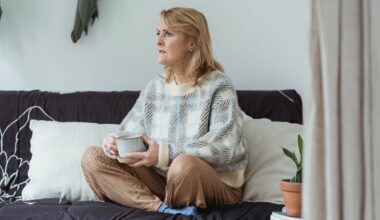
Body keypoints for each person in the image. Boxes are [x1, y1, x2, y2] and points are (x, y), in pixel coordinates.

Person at [81, 7, 247, 216]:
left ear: (192, 42)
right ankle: (162, 209)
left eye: (168, 34)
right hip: (163, 182)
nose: (158, 40)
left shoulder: (219, 86)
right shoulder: (155, 87)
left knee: (183, 165)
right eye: (157, 33)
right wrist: (114, 144)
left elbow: (224, 148)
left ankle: (165, 206)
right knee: (92, 157)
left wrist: (163, 153)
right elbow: (129, 133)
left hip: (212, 183)